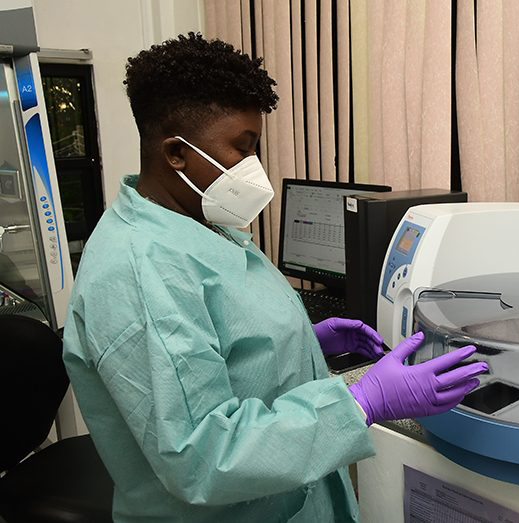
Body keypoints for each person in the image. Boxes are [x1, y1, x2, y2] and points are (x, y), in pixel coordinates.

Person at [62, 33, 487, 522]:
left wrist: (300, 342)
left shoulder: (197, 224)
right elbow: (203, 456)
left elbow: (218, 347)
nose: (252, 168)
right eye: (241, 149)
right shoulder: (138, 272)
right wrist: (362, 402)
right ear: (175, 154)